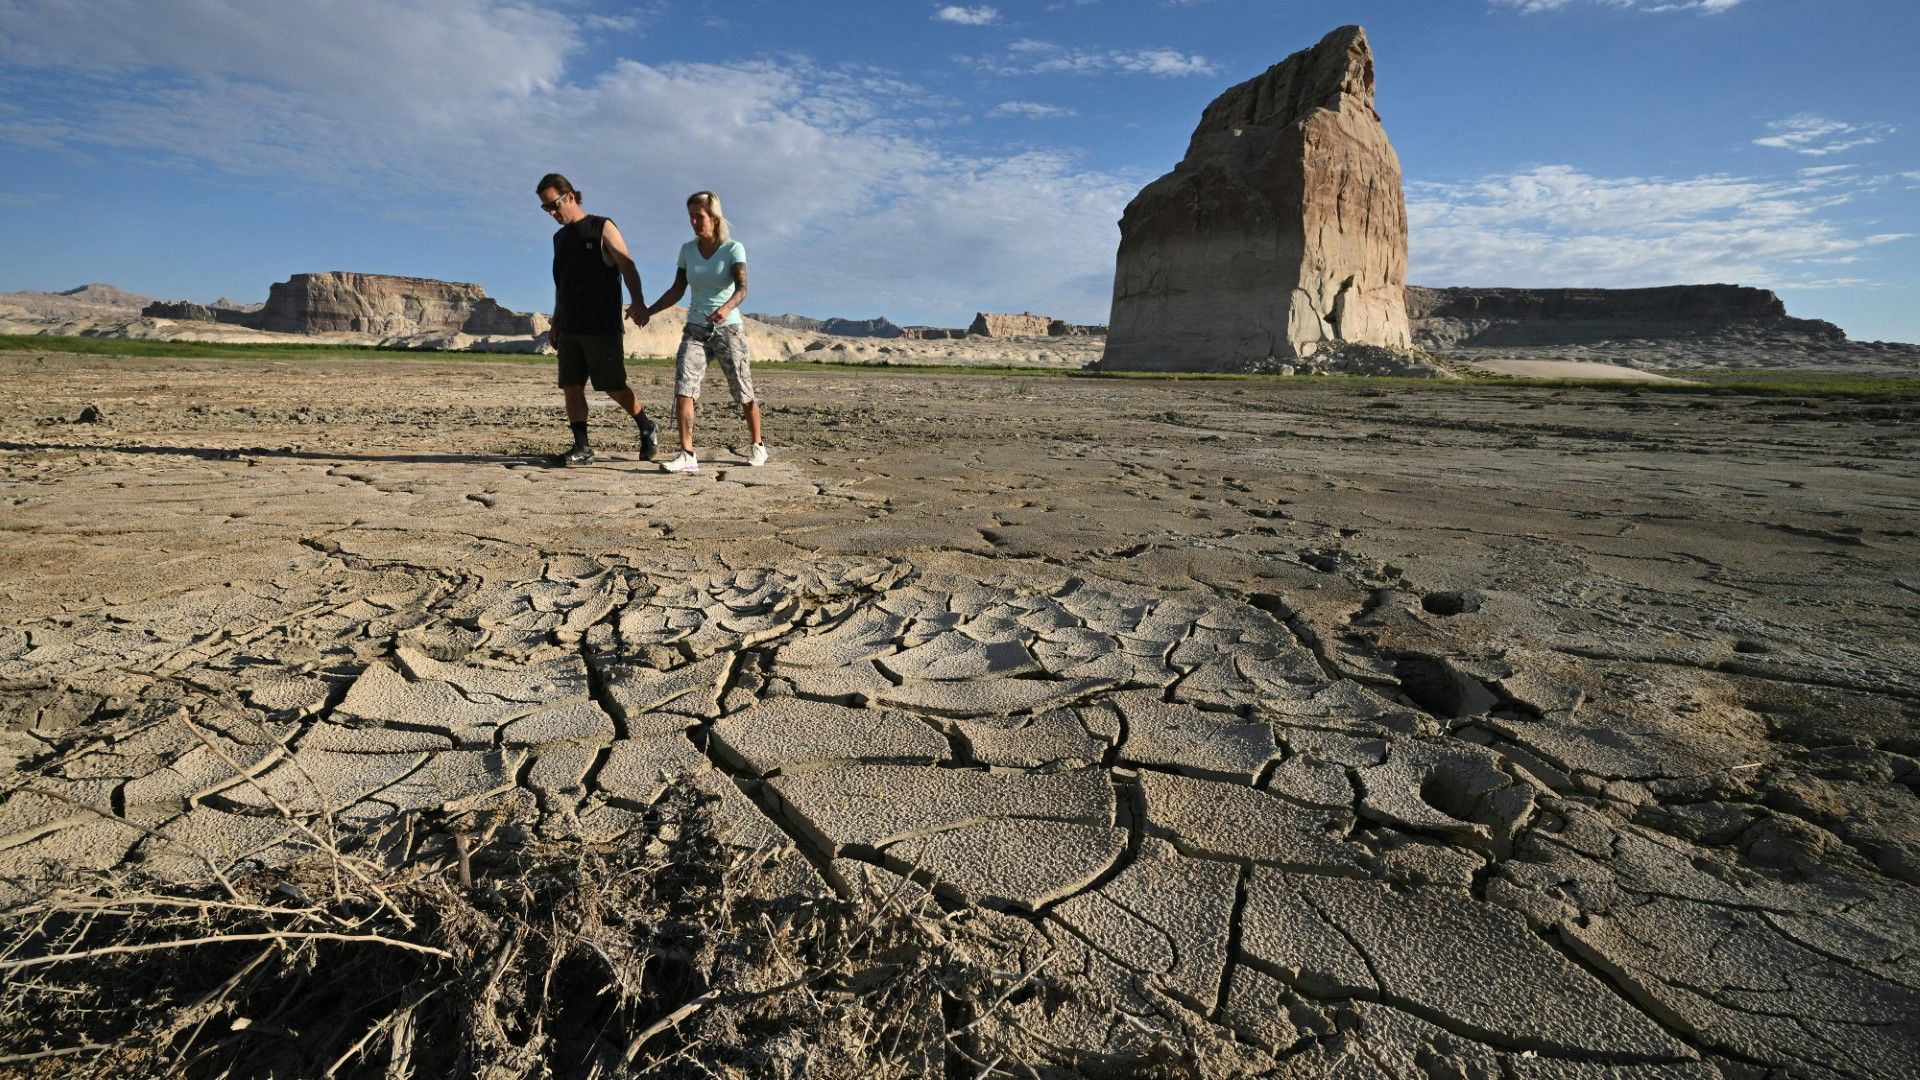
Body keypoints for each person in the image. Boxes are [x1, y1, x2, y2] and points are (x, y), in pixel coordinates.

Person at [536, 172, 658, 466]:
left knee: (612, 386)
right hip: (570, 326)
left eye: (553, 205)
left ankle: (646, 425)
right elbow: (561, 284)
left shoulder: (601, 226)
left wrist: (638, 302)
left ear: (570, 197)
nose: (551, 213)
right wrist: (556, 322)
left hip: (601, 325)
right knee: (571, 385)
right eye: (545, 208)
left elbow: (627, 266)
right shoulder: (559, 239)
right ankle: (582, 447)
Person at [642, 190, 765, 473]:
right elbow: (677, 289)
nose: (694, 222)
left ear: (714, 217)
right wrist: (649, 311)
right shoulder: (687, 250)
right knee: (684, 388)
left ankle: (758, 445)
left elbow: (742, 289)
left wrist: (726, 308)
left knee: (742, 389)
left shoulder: (733, 249)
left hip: (728, 329)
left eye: (699, 216)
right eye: (691, 217)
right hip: (695, 329)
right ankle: (687, 454)